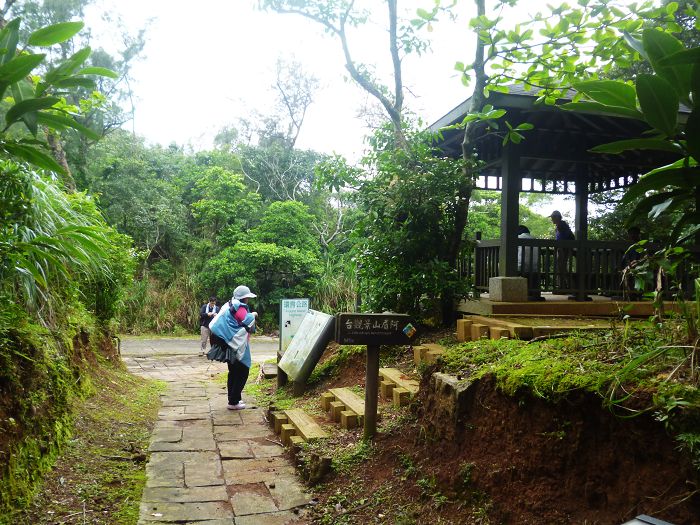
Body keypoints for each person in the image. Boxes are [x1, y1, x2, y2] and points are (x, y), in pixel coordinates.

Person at [207, 285, 258, 410]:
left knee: (233, 371)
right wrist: (253, 315)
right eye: (247, 297)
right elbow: (247, 322)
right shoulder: (240, 308)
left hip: (225, 342)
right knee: (243, 371)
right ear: (244, 298)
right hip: (234, 344)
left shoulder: (228, 304)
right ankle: (234, 402)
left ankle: (234, 399)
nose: (248, 300)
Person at [550, 210, 575, 292]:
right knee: (561, 267)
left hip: (564, 249)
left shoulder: (562, 225)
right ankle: (566, 286)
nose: (552, 219)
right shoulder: (560, 226)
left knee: (561, 268)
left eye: (553, 217)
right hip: (562, 249)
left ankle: (564, 287)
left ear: (557, 217)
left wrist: (560, 248)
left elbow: (563, 238)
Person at [517, 225, 541, 299]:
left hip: (521, 267)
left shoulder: (518, 238)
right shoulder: (534, 239)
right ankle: (534, 293)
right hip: (534, 268)